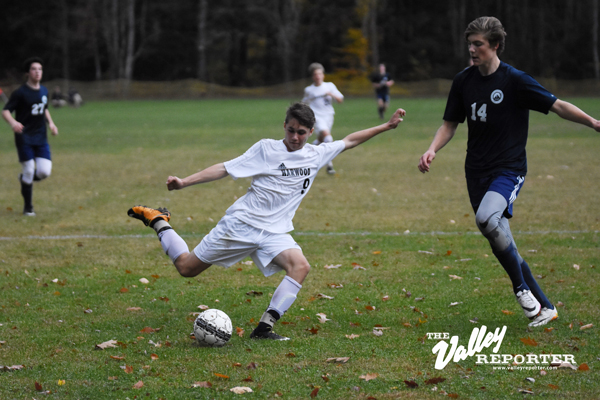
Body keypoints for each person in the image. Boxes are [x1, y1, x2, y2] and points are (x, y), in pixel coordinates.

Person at [128, 102, 406, 340]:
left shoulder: (316, 154)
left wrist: (386, 126)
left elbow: (350, 140)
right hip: (240, 226)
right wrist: (183, 182)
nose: (295, 137)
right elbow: (225, 168)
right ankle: (159, 220)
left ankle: (264, 327)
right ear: (284, 125)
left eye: (301, 132)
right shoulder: (266, 149)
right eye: (290, 130)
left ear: (311, 132)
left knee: (300, 266)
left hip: (275, 233)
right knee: (187, 268)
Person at [418, 16, 600, 328]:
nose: (472, 50)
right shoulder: (463, 81)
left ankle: (520, 289)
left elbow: (558, 105)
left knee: (487, 219)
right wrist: (433, 148)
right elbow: (450, 124)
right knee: (500, 238)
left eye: (479, 45)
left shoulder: (515, 80)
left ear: (495, 45)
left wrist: (595, 123)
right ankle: (545, 306)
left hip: (508, 169)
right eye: (470, 44)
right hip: (475, 171)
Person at [2, 57, 59, 216]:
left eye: (40, 69)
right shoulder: (20, 93)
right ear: (28, 73)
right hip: (24, 136)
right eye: (34, 69)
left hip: (41, 137)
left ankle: (25, 180)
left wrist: (51, 124)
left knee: (44, 172)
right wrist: (13, 123)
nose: (37, 72)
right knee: (29, 169)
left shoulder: (44, 91)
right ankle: (28, 207)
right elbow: (5, 111)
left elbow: (44, 108)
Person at [302, 63, 344, 175]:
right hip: (316, 117)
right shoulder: (309, 89)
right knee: (328, 137)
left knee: (321, 140)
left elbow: (340, 100)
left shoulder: (329, 86)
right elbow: (304, 103)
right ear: (312, 76)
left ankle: (308, 150)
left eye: (320, 73)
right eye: (315, 74)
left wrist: (331, 94)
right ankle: (329, 165)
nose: (318, 76)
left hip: (329, 116)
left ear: (323, 75)